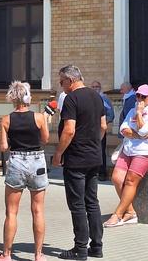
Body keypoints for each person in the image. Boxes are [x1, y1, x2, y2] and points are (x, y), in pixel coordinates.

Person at [52, 65, 106, 260]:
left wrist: (58, 153)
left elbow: (69, 130)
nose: (61, 86)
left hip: (76, 159)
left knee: (77, 205)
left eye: (61, 82)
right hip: (94, 157)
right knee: (92, 201)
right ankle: (97, 247)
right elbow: (103, 126)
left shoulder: (71, 99)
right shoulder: (96, 96)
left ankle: (80, 249)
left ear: (71, 80)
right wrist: (93, 144)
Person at [0, 81, 50, 261]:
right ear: (27, 97)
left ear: (12, 99)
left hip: (17, 161)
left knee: (11, 212)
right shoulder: (39, 117)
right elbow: (45, 139)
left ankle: (6, 254)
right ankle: (39, 255)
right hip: (37, 161)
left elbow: (4, 146)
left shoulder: (6, 120)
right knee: (38, 210)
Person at [104, 84, 148, 227]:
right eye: (138, 96)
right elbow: (123, 129)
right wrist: (139, 135)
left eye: (143, 97)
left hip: (146, 152)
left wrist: (140, 114)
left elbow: (143, 130)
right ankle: (130, 212)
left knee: (130, 181)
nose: (140, 99)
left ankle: (117, 215)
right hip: (128, 149)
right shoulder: (131, 111)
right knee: (116, 178)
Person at [91, 81, 114, 181]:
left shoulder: (104, 99)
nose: (95, 88)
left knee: (100, 150)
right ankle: (92, 172)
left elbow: (111, 115)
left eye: (97, 86)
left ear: (100, 87)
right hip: (89, 130)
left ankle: (102, 172)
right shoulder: (89, 99)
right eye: (93, 87)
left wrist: (104, 123)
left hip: (100, 130)